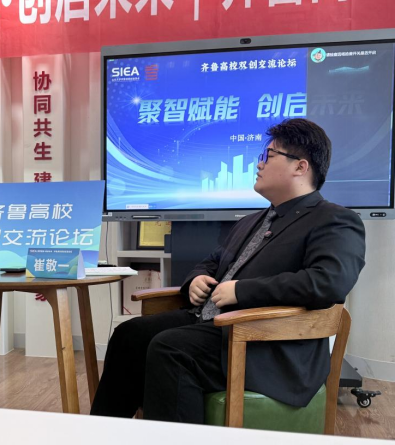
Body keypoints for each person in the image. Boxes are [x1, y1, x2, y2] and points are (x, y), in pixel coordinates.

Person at [90, 118, 366, 423]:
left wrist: (241, 291)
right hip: (215, 326)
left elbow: (329, 282)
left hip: (267, 344)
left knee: (171, 348)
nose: (259, 164)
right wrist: (195, 280)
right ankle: (103, 435)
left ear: (300, 167)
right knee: (129, 334)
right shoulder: (251, 221)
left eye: (269, 155)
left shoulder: (334, 220)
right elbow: (213, 261)